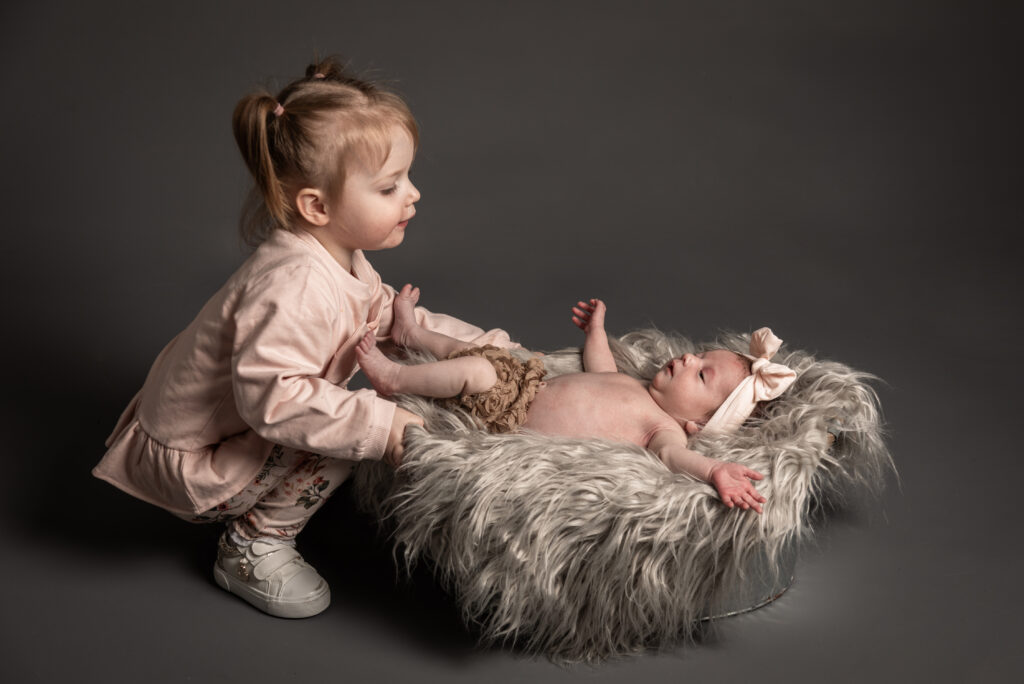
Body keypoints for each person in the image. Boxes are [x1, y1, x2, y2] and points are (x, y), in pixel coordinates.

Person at [93, 59, 518, 619]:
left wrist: (487, 352)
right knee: (357, 427)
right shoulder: (291, 284)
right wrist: (378, 424)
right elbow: (275, 400)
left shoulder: (336, 255)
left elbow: (389, 318)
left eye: (408, 178)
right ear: (316, 206)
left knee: (370, 411)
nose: (413, 195)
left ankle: (284, 500)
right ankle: (254, 542)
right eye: (390, 186)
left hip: (243, 422)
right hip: (199, 459)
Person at [356, 287, 798, 514]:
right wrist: (596, 333)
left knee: (474, 371)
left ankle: (395, 377)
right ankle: (413, 335)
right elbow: (600, 368)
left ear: (699, 424)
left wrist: (716, 469)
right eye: (698, 353)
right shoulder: (634, 386)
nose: (687, 357)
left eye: (701, 373)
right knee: (475, 354)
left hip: (512, 414)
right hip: (525, 382)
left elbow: (677, 461)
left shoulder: (664, 431)